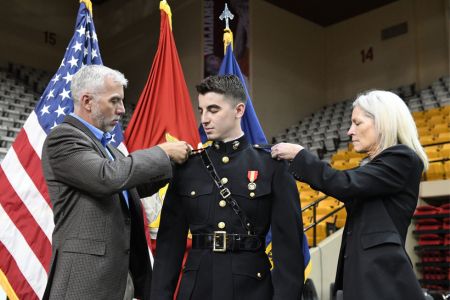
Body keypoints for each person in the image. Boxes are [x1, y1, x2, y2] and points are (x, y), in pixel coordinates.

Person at [41, 65, 190, 300]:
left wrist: (179, 164)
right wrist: (162, 153)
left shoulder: (109, 149)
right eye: (114, 101)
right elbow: (107, 177)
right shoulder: (63, 138)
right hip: (85, 282)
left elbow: (134, 186)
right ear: (87, 101)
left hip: (120, 278)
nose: (122, 110)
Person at [151, 75, 305, 300]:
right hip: (198, 288)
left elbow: (289, 249)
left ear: (239, 110)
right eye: (201, 110)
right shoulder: (187, 168)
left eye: (213, 110)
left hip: (251, 289)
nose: (204, 118)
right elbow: (169, 247)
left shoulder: (271, 166)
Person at [271, 90, 429, 300]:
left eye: (357, 123)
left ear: (382, 123)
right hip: (367, 280)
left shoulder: (403, 158)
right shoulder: (378, 166)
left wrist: (300, 156)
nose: (349, 131)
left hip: (382, 282)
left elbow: (345, 184)